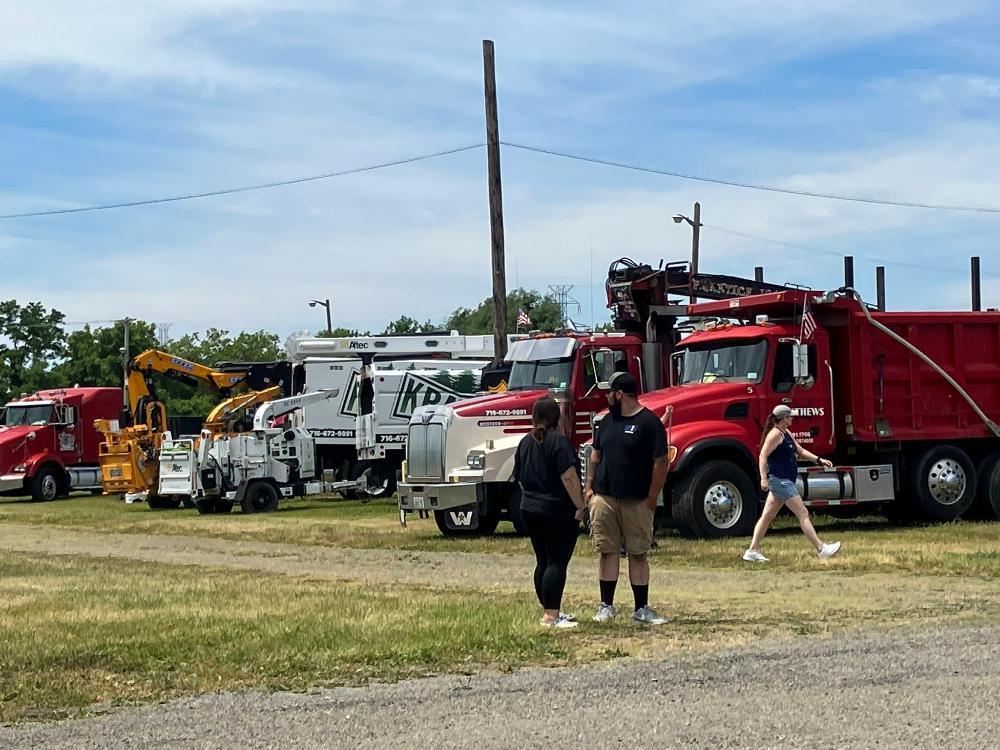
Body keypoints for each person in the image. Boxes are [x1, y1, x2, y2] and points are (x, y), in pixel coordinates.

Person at [584, 371, 669, 625]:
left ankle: (641, 608)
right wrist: (589, 488)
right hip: (604, 498)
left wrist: (652, 496)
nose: (607, 397)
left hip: (637, 500)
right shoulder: (606, 422)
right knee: (607, 551)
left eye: (609, 392)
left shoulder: (649, 423)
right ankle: (606, 606)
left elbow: (661, 461)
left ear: (620, 394)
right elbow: (595, 455)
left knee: (638, 552)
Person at [513, 396, 587, 629]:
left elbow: (520, 479)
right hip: (556, 510)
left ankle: (549, 608)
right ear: (557, 417)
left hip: (529, 508)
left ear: (534, 417)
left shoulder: (524, 443)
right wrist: (580, 506)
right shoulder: (559, 443)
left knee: (542, 561)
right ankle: (551, 616)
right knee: (557, 562)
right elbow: (569, 477)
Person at [743, 404, 842, 562]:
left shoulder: (786, 432)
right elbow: (762, 456)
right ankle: (821, 548)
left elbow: (800, 451)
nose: (792, 419)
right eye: (790, 416)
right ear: (783, 419)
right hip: (780, 481)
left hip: (784, 480)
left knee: (767, 516)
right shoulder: (774, 435)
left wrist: (819, 460)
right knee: (803, 513)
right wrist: (763, 478)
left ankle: (752, 551)